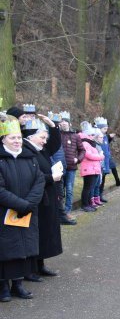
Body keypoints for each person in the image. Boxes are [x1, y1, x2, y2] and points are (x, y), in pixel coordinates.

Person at [0, 114, 45, 301]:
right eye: (12, 138)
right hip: (5, 213)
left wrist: (29, 204)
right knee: (5, 249)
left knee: (23, 249)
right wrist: (21, 205)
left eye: (19, 137)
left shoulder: (30, 158)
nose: (17, 141)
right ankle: (3, 286)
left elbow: (39, 181)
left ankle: (18, 284)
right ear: (3, 139)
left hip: (26, 212)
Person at [21, 115, 64, 281]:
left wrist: (53, 126)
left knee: (44, 233)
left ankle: (40, 265)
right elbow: (31, 177)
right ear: (31, 137)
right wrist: (51, 178)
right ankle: (30, 270)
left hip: (47, 197)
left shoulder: (39, 149)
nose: (45, 141)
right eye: (42, 137)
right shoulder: (26, 151)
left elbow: (54, 144)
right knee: (35, 234)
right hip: (36, 199)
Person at [59, 111, 84, 222]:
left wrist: (77, 159)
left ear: (69, 124)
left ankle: (68, 211)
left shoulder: (75, 136)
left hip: (71, 168)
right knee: (60, 191)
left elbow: (82, 150)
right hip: (59, 168)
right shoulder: (56, 135)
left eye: (65, 121)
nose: (63, 123)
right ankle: (60, 211)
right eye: (62, 121)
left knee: (69, 190)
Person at [96, 117, 120, 200]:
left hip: (106, 160)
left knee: (103, 179)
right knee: (99, 180)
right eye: (104, 128)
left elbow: (107, 146)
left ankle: (100, 195)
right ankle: (97, 196)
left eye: (106, 128)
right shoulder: (97, 138)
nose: (106, 130)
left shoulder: (105, 137)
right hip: (100, 161)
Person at [79, 125, 104, 212]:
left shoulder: (89, 143)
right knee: (87, 188)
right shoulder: (85, 143)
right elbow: (89, 155)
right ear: (88, 135)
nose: (94, 136)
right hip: (88, 169)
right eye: (92, 135)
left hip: (93, 169)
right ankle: (84, 205)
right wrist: (100, 156)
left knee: (90, 188)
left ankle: (89, 204)